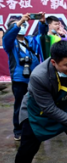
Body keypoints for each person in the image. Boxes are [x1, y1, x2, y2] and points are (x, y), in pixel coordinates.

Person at [3, 12, 46, 141]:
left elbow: (41, 36)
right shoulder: (10, 44)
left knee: (36, 104)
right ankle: (18, 130)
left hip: (34, 79)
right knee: (19, 106)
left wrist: (42, 23)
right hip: (19, 80)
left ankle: (35, 127)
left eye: (24, 24)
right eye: (19, 25)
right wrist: (20, 21)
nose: (22, 26)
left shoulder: (30, 40)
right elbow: (7, 37)